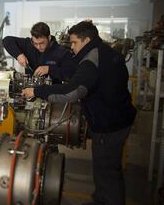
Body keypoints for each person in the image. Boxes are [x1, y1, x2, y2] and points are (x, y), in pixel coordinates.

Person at [22, 21, 136, 205]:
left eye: (74, 43)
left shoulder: (91, 59)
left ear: (86, 39)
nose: (72, 47)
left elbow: (72, 91)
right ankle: (101, 199)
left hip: (109, 125)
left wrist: (37, 91)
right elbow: (76, 74)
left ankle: (108, 201)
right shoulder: (104, 52)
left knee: (107, 171)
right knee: (104, 168)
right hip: (118, 117)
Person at [2, 22, 75, 82]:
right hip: (30, 91)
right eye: (35, 43)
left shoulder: (61, 52)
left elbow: (69, 73)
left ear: (49, 37)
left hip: (52, 95)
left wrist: (49, 69)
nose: (38, 47)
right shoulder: (28, 44)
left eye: (42, 43)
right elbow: (6, 40)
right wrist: (19, 55)